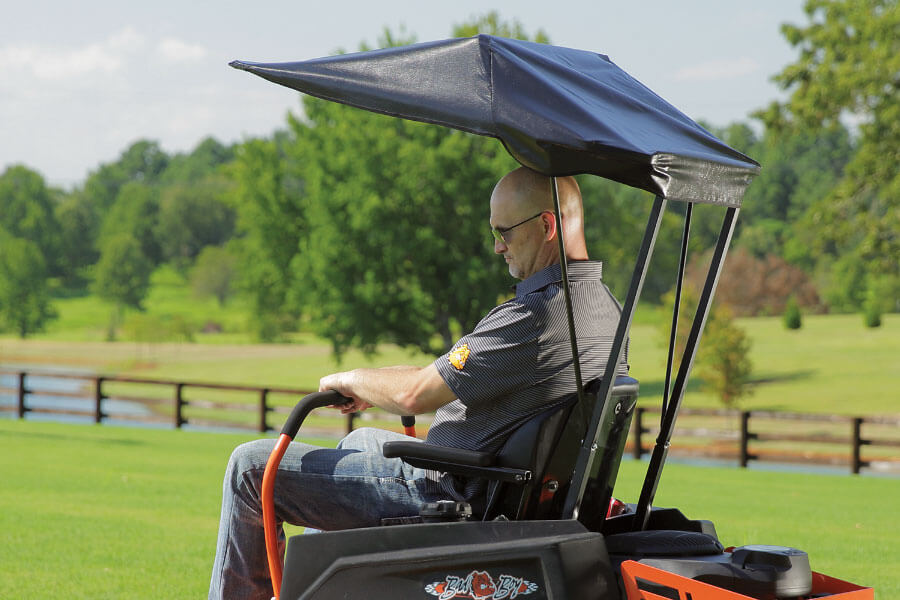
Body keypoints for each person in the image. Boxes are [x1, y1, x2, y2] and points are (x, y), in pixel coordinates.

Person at [208, 167, 627, 600]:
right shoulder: (608, 310)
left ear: (546, 224)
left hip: (450, 491)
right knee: (361, 440)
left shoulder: (535, 317)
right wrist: (370, 388)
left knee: (251, 468)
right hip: (498, 483)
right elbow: (437, 375)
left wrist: (348, 377)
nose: (497, 246)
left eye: (504, 231)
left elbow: (415, 394)